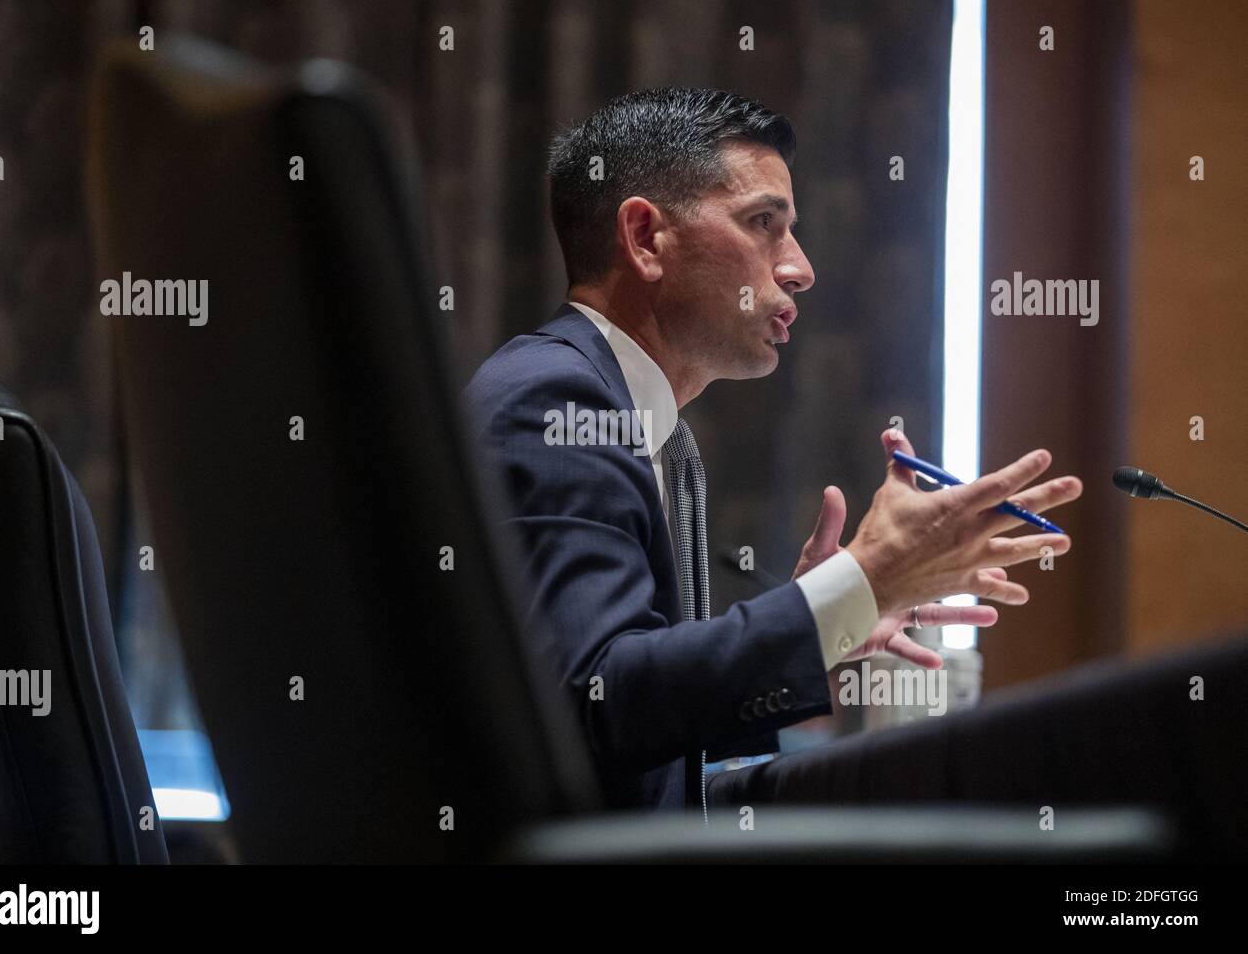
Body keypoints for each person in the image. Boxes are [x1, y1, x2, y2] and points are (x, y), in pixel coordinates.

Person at [463, 87, 1082, 817]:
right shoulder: (559, 399)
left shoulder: (646, 425)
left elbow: (640, 737)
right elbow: (594, 701)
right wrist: (856, 586)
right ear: (644, 238)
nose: (799, 269)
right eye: (764, 224)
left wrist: (829, 620)